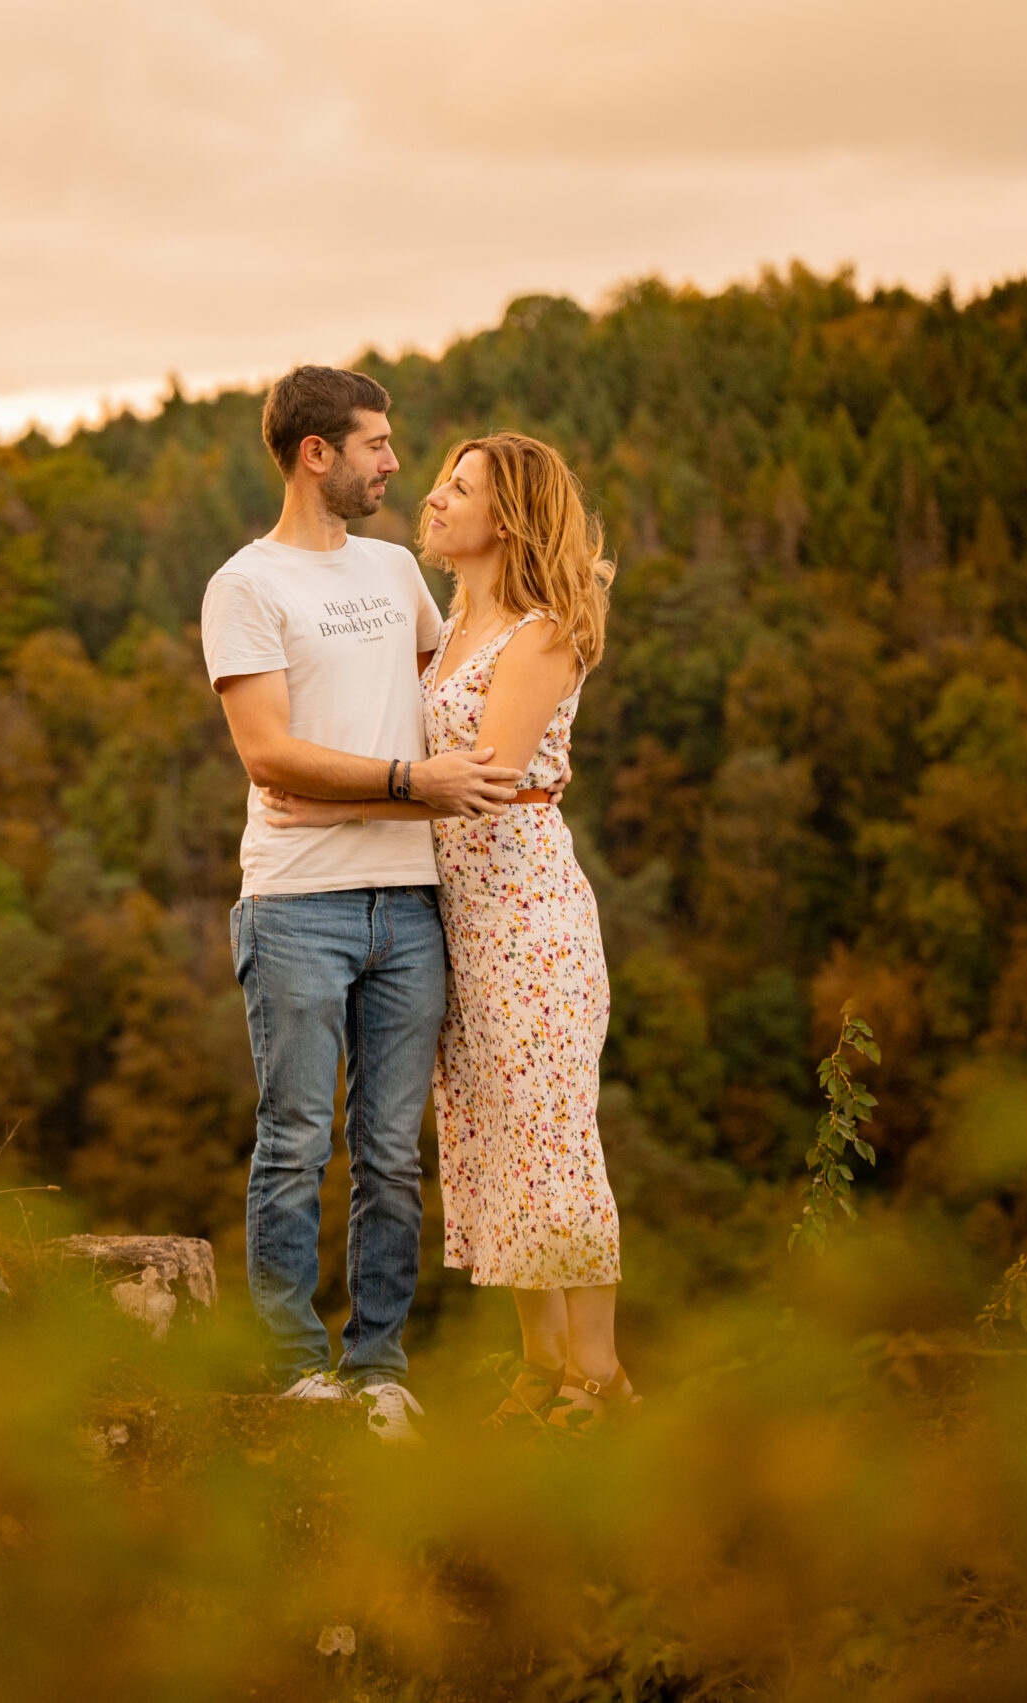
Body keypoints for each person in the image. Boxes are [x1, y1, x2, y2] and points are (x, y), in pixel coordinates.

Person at [262, 430, 632, 1426]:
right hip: (456, 916)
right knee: (490, 1137)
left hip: (526, 913)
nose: (430, 496)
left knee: (550, 1136)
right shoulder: (461, 617)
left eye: (456, 487)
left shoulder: (542, 631)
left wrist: (335, 802)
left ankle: (595, 1375)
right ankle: (539, 1361)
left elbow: (484, 782)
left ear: (504, 518)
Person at [201, 367, 523, 1442]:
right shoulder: (244, 585)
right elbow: (267, 753)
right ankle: (292, 1369)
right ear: (315, 454)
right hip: (297, 903)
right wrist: (403, 783)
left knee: (391, 1149)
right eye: (377, 445)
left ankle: (377, 1363)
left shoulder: (394, 570)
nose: (395, 464)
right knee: (294, 1139)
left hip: (415, 900)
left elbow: (456, 686)